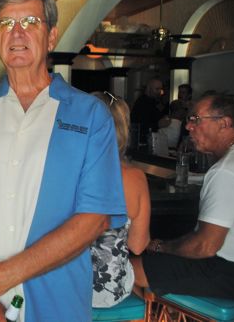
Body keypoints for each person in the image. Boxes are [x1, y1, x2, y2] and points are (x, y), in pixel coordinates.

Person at [0, 0, 127, 322]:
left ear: (51, 37)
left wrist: (4, 275)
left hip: (57, 304)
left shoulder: (90, 117)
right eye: (5, 24)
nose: (16, 33)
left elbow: (95, 217)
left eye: (30, 21)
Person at [131, 94, 234, 301]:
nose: (188, 127)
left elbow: (205, 246)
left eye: (195, 120)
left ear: (224, 123)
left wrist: (161, 247)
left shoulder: (228, 170)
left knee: (126, 268)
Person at [90, 92, 151, 308]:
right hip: (108, 293)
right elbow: (137, 245)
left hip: (62, 288)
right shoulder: (135, 178)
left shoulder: (64, 171)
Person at [130, 78, 166, 143]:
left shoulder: (153, 102)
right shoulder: (143, 103)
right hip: (143, 141)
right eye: (157, 89)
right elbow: (142, 125)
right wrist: (158, 124)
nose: (159, 92)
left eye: (160, 89)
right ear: (149, 89)